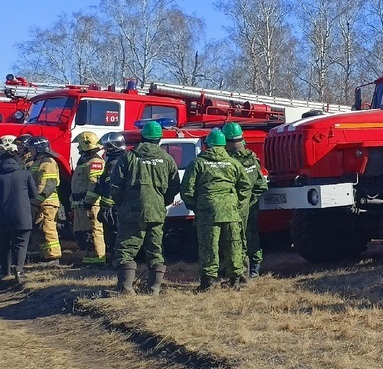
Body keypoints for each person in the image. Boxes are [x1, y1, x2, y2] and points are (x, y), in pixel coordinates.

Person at [110, 121, 180, 295]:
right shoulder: (167, 159)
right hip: (156, 212)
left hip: (131, 212)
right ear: (159, 139)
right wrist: (161, 202)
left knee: (126, 248)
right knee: (155, 250)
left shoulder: (129, 156)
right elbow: (174, 186)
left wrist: (122, 203)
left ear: (141, 137)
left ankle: (126, 288)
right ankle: (154, 288)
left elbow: (115, 185)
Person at [181, 128, 250, 291]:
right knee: (233, 245)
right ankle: (235, 282)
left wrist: (196, 206)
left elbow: (186, 189)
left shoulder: (198, 163)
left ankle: (208, 283)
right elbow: (246, 185)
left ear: (207, 145)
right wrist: (236, 202)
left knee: (209, 247)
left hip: (207, 213)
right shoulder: (233, 163)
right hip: (231, 212)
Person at [223, 122, 268, 279]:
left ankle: (239, 270)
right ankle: (254, 269)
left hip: (234, 206)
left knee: (235, 238)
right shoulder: (251, 158)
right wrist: (250, 199)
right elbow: (261, 184)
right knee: (251, 236)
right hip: (250, 205)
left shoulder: (228, 161)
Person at [0, 135, 37, 288]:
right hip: (22, 217)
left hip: (2, 217)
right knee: (20, 244)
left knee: (4, 244)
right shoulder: (25, 174)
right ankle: (19, 272)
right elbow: (33, 195)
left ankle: (5, 271)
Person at [69, 131, 108, 267]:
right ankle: (88, 259)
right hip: (79, 204)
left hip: (90, 205)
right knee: (82, 233)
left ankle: (98, 259)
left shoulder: (95, 162)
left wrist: (88, 202)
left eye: (79, 145)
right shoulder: (85, 161)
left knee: (93, 231)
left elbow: (95, 184)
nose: (78, 148)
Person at [89, 132, 127, 267]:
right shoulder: (121, 159)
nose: (104, 150)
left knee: (113, 234)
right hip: (118, 206)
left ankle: (116, 263)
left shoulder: (114, 163)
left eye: (106, 147)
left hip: (113, 207)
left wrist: (105, 207)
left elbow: (110, 188)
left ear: (112, 147)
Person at [26, 136, 62, 262]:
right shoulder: (38, 161)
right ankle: (45, 255)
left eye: (32, 148)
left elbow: (48, 184)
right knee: (40, 229)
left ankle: (53, 258)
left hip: (47, 203)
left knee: (48, 228)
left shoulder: (47, 162)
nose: (30, 150)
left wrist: (36, 201)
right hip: (40, 202)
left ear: (39, 148)